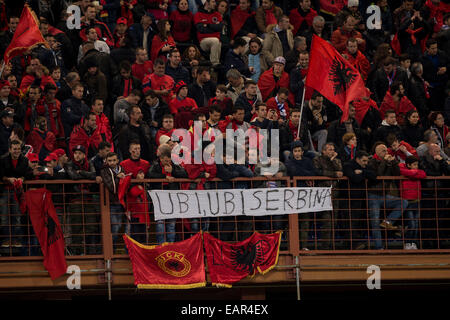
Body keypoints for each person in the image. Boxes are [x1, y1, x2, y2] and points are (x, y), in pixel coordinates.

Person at [367, 143, 408, 250]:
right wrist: (385, 161)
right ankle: (379, 247)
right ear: (377, 152)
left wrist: (394, 162)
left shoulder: (389, 161)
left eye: (387, 150)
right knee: (375, 222)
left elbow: (397, 173)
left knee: (403, 202)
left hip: (385, 194)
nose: (387, 153)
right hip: (373, 195)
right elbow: (378, 174)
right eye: (383, 151)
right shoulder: (371, 161)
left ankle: (388, 221)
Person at [148, 148, 188, 244]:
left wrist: (173, 171)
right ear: (161, 159)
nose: (167, 162)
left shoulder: (174, 165)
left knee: (171, 224)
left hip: (172, 198)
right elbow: (149, 174)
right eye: (165, 160)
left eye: (169, 160)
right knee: (160, 224)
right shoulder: (155, 166)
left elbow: (185, 174)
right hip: (159, 198)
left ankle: (171, 245)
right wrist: (164, 177)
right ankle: (161, 245)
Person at [64, 144, 98, 255]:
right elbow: (73, 176)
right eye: (75, 153)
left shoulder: (90, 163)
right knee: (76, 227)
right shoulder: (69, 164)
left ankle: (74, 248)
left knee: (92, 226)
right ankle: (76, 251)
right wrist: (84, 175)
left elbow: (93, 175)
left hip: (88, 199)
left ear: (84, 155)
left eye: (79, 153)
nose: (76, 155)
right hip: (75, 199)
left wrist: (81, 172)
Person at [0, 140, 33, 249]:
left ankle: (17, 241)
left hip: (18, 191)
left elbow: (28, 173)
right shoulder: (3, 160)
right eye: (15, 149)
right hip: (5, 191)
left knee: (17, 217)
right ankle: (6, 240)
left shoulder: (24, 160)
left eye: (18, 149)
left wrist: (22, 178)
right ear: (10, 149)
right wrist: (7, 179)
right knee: (4, 217)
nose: (17, 151)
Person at [342, 150, 376, 249]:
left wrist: (362, 172)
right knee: (350, 221)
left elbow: (374, 175)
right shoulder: (348, 165)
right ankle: (351, 244)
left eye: (367, 161)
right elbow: (354, 178)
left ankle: (355, 243)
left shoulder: (363, 167)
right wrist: (364, 175)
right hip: (348, 198)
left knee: (357, 221)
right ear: (357, 159)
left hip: (359, 198)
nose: (366, 163)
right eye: (364, 161)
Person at [312, 142, 343, 250]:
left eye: (333, 149)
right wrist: (333, 174)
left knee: (334, 221)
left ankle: (332, 246)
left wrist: (332, 160)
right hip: (323, 194)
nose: (332, 151)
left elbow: (340, 171)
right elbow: (318, 172)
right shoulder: (317, 159)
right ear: (323, 151)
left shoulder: (336, 160)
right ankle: (325, 247)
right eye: (329, 149)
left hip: (335, 194)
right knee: (327, 221)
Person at [120, 142, 151, 243]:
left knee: (143, 231)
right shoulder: (123, 164)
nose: (137, 151)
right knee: (131, 230)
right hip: (130, 201)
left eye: (138, 148)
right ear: (130, 150)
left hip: (143, 201)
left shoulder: (146, 164)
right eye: (134, 149)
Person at [101, 152, 127, 252]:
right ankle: (111, 251)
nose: (112, 162)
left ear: (117, 160)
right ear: (106, 161)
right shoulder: (104, 171)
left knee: (119, 226)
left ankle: (113, 250)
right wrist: (118, 178)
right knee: (115, 228)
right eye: (109, 161)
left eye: (114, 160)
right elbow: (111, 187)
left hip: (121, 202)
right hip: (111, 203)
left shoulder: (122, 169)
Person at [399, 155, 426, 250]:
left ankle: (413, 242)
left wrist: (412, 173)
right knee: (411, 224)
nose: (416, 167)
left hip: (417, 200)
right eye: (414, 165)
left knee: (416, 224)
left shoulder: (415, 171)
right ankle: (407, 242)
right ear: (409, 165)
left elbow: (423, 174)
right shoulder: (402, 168)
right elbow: (401, 171)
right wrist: (413, 173)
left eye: (417, 165)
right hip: (407, 201)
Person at [194, 0, 223, 67]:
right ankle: (214, 64)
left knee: (218, 42)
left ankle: (215, 68)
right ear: (207, 3)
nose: (215, 4)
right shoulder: (198, 14)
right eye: (213, 2)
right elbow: (201, 29)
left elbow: (220, 27)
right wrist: (214, 27)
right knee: (216, 41)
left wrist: (208, 25)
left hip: (216, 41)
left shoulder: (217, 14)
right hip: (203, 41)